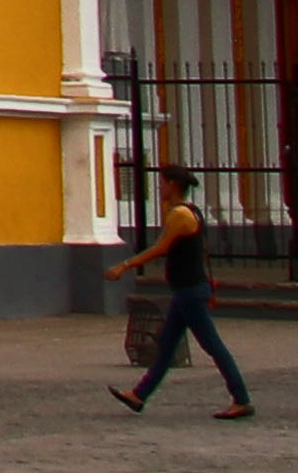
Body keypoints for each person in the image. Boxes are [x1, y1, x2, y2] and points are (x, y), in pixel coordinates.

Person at [107, 167, 252, 419]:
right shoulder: (187, 211)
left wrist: (124, 266)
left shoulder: (181, 215)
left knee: (213, 346)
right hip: (187, 290)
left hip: (190, 292)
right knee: (167, 345)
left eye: (162, 183)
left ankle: (241, 399)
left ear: (173, 184)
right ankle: (139, 395)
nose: (159, 188)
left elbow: (160, 248)